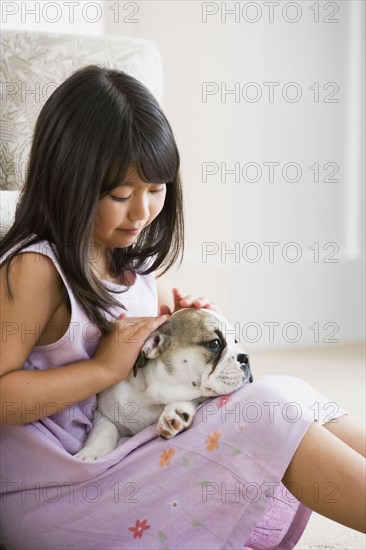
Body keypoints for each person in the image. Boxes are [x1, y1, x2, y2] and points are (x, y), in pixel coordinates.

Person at [0, 65, 364, 550]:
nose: (143, 211)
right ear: (66, 181)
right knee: (269, 412)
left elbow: (137, 321)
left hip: (130, 453)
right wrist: (105, 367)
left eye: (156, 189)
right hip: (61, 490)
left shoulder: (128, 258)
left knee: (287, 393)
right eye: (121, 195)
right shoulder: (36, 271)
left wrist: (179, 318)